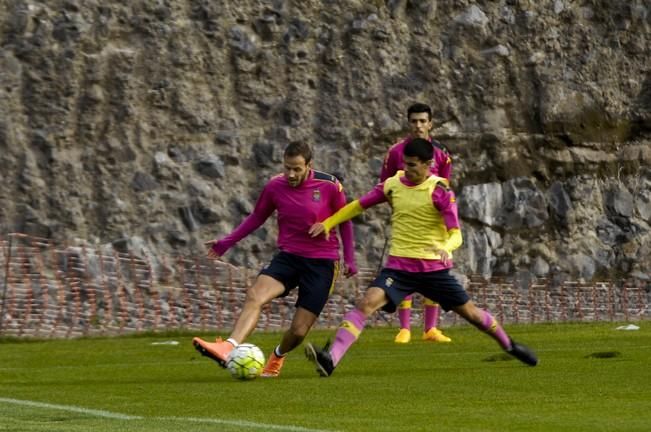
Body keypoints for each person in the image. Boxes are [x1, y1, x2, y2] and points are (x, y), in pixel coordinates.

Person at [304, 138, 537, 377]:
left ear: (428, 164)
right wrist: (328, 223)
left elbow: (455, 233)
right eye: (405, 164)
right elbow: (357, 206)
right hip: (399, 269)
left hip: (433, 271)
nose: (407, 169)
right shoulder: (392, 184)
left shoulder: (439, 190)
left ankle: (509, 345)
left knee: (472, 315)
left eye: (413, 165)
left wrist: (447, 248)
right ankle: (331, 359)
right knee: (366, 304)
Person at [193, 142, 357, 378]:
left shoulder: (330, 185)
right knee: (255, 296)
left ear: (309, 166)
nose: (291, 174)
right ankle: (228, 346)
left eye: (297, 169)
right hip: (288, 257)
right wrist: (226, 242)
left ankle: (278, 355)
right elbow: (257, 217)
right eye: (287, 168)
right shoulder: (275, 186)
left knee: (299, 331)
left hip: (322, 263)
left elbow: (346, 219)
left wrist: (350, 259)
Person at [380, 102, 453, 344]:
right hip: (406, 217)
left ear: (430, 124)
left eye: (423, 121)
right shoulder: (395, 152)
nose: (418, 125)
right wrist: (400, 208)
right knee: (405, 266)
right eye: (414, 121)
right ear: (408, 123)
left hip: (433, 218)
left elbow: (445, 187)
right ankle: (404, 328)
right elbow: (384, 186)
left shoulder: (442, 153)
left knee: (434, 268)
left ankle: (430, 328)